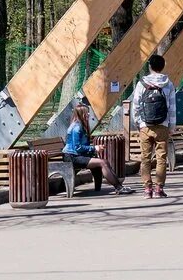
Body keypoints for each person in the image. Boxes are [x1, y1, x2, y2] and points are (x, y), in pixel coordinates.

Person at [130, 53, 176, 199]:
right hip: (162, 125)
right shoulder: (168, 84)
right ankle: (159, 189)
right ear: (162, 67)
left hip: (145, 125)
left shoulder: (141, 84)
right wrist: (172, 126)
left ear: (150, 67)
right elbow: (172, 108)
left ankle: (147, 189)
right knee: (161, 158)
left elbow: (136, 106)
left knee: (145, 158)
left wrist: (138, 122)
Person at [63, 103, 132, 195]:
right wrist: (94, 148)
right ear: (81, 114)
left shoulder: (80, 125)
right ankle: (119, 188)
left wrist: (94, 150)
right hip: (71, 157)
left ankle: (117, 187)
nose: (88, 115)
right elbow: (77, 147)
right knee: (102, 162)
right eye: (86, 113)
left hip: (76, 155)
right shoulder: (76, 127)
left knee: (103, 162)